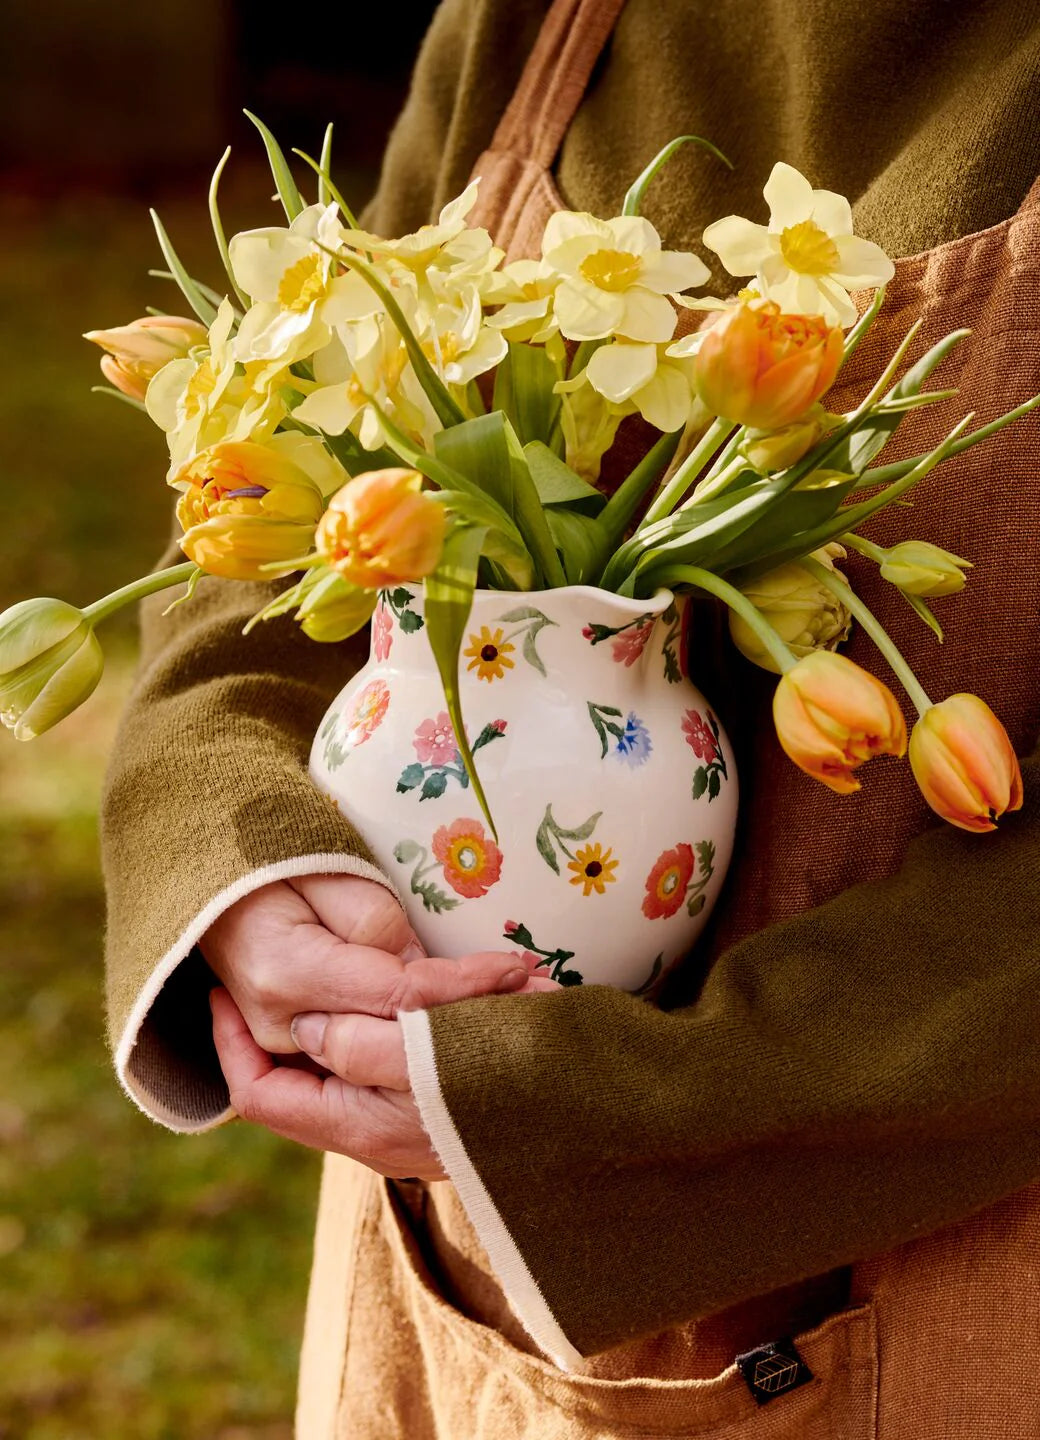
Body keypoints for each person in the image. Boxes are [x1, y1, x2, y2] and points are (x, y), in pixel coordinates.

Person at [101, 0, 1040, 1434]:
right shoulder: (532, 20)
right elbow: (275, 503)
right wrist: (240, 861)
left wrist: (610, 1108)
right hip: (460, 1298)